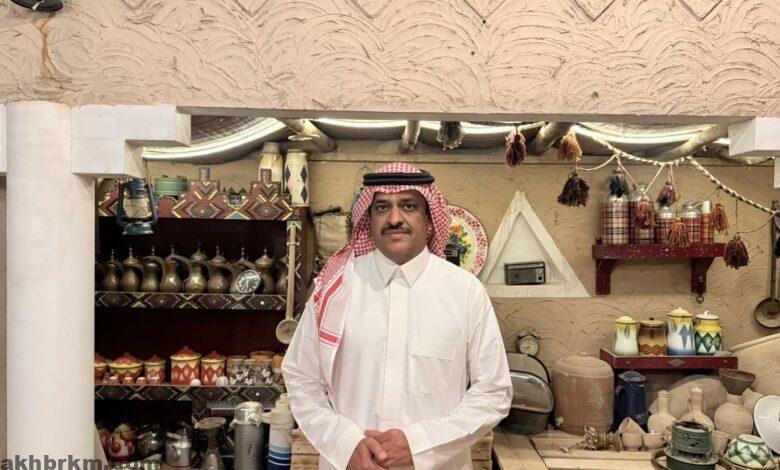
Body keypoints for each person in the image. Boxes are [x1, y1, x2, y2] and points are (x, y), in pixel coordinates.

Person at [282, 162, 512, 469]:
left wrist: (420, 444)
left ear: (429, 218)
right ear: (368, 218)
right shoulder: (335, 288)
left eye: (408, 206)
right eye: (382, 207)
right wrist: (345, 443)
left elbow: (493, 391)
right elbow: (301, 376)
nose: (394, 219)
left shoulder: (465, 292)